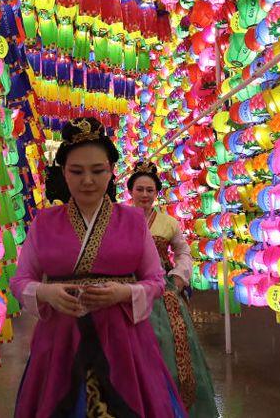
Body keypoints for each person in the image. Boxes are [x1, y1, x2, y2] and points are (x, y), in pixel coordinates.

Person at [11, 117, 187, 418]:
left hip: (124, 341)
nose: (87, 181)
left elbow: (156, 281)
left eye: (98, 171)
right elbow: (20, 280)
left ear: (111, 172)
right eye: (76, 171)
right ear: (64, 174)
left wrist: (123, 292)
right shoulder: (44, 222)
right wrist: (45, 292)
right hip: (60, 340)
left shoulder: (133, 220)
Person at [128, 161, 218, 418]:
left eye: (150, 190)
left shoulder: (168, 223)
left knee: (172, 340)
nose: (144, 195)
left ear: (156, 194)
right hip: (128, 289)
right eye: (140, 189)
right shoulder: (119, 219)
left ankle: (174, 403)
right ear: (131, 192)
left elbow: (183, 251)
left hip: (162, 291)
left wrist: (179, 277)